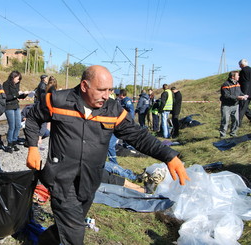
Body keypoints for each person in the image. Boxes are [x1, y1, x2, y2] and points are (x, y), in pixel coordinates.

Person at [25, 65, 189, 245]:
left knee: (72, 223)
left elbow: (138, 136)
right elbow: (32, 118)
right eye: (102, 90)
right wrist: (33, 146)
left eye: (110, 89)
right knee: (75, 232)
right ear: (84, 86)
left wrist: (169, 156)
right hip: (61, 178)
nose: (107, 95)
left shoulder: (113, 109)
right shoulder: (57, 100)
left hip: (90, 179)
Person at [3, 70, 27, 153]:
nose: (18, 80)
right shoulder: (6, 84)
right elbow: (6, 97)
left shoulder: (17, 84)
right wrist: (17, 94)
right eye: (17, 78)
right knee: (12, 126)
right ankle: (9, 144)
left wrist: (24, 94)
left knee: (18, 125)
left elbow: (18, 96)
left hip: (16, 106)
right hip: (9, 106)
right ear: (13, 77)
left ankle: (14, 142)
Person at [219, 71, 248, 138]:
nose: (239, 77)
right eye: (237, 75)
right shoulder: (225, 85)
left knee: (236, 120)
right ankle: (222, 135)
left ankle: (233, 133)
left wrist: (244, 95)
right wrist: (237, 97)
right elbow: (226, 96)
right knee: (225, 120)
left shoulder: (237, 83)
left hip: (235, 105)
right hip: (226, 106)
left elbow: (239, 92)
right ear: (232, 77)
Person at [238, 59, 251, 126]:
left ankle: (238, 124)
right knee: (245, 108)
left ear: (241, 65)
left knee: (241, 108)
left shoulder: (243, 71)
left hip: (245, 92)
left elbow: (240, 81)